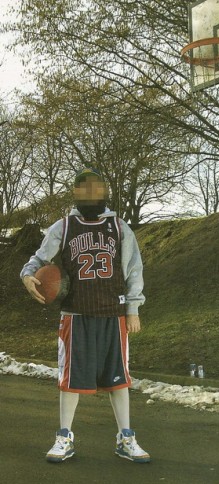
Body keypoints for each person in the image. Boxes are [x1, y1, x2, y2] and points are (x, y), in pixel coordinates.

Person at [20, 166, 150, 464]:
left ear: (104, 192)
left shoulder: (119, 227)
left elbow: (133, 270)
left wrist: (133, 308)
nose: (91, 194)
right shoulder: (63, 226)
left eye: (96, 188)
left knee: (119, 380)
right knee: (71, 379)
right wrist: (28, 276)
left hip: (113, 314)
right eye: (85, 189)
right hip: (76, 314)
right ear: (75, 194)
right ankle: (64, 436)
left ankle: (126, 437)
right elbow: (39, 259)